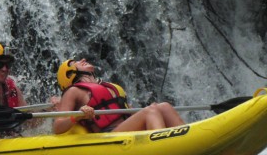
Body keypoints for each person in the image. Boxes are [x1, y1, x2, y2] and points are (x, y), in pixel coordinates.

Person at [53, 58, 185, 135]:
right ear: (69, 74)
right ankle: (162, 146)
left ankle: (184, 138)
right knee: (151, 110)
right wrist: (77, 115)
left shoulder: (107, 86)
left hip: (125, 129)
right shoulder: (73, 91)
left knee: (164, 107)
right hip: (109, 134)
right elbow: (58, 126)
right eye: (74, 62)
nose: (82, 60)